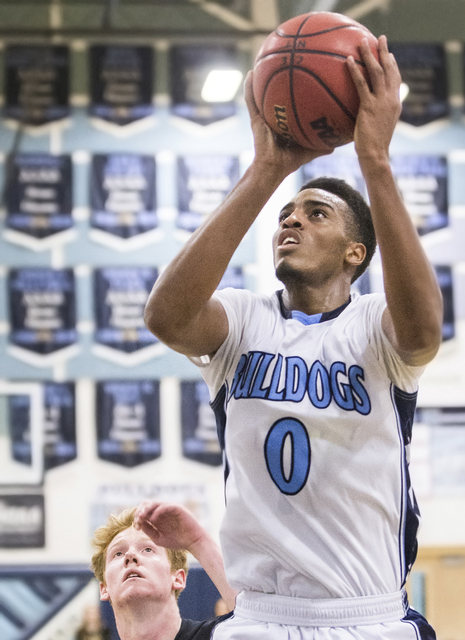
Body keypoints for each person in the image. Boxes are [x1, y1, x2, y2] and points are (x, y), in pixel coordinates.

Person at [144, 34, 442, 640]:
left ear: (355, 253)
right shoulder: (243, 319)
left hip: (369, 618)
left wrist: (375, 160)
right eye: (287, 214)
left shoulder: (375, 328)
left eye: (316, 214)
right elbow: (166, 318)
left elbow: (423, 331)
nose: (291, 220)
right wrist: (268, 169)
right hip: (258, 618)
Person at [91, 501, 237, 640]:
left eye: (148, 549)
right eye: (118, 554)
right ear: (104, 588)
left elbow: (255, 618)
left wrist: (198, 541)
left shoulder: (216, 635)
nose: (130, 555)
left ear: (178, 578)